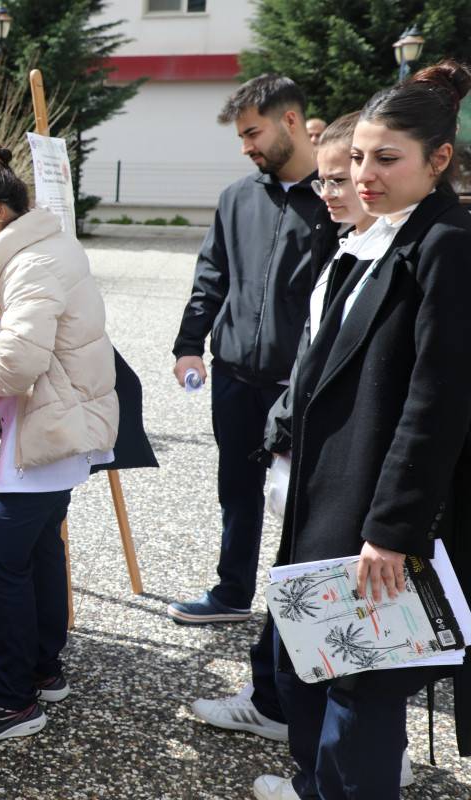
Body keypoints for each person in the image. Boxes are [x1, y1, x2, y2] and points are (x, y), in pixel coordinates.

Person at [253, 60, 471, 800]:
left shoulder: (446, 245)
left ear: (438, 161)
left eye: (386, 159)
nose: (364, 173)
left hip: (379, 517)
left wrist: (393, 527)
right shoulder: (376, 239)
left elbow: (439, 398)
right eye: (356, 158)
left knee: (361, 694)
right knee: (308, 671)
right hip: (329, 498)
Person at [189, 114, 420, 786]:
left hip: (356, 486)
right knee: (314, 620)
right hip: (312, 467)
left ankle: (352, 765)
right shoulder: (347, 248)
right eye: (325, 178)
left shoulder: (405, 259)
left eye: (344, 175)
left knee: (357, 643)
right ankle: (304, 737)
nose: (335, 189)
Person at [0, 145, 118, 743]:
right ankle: (42, 667)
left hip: (48, 430)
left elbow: (16, 364)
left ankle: (15, 697)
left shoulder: (30, 262)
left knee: (1, 555)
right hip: (58, 427)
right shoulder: (48, 247)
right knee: (41, 548)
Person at [168, 74, 322, 626]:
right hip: (233, 376)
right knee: (237, 490)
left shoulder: (335, 201)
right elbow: (211, 275)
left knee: (304, 503)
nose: (246, 147)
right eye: (241, 136)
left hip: (300, 385)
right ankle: (232, 593)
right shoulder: (236, 197)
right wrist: (188, 346)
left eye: (252, 133)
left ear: (290, 121)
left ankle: (301, 615)